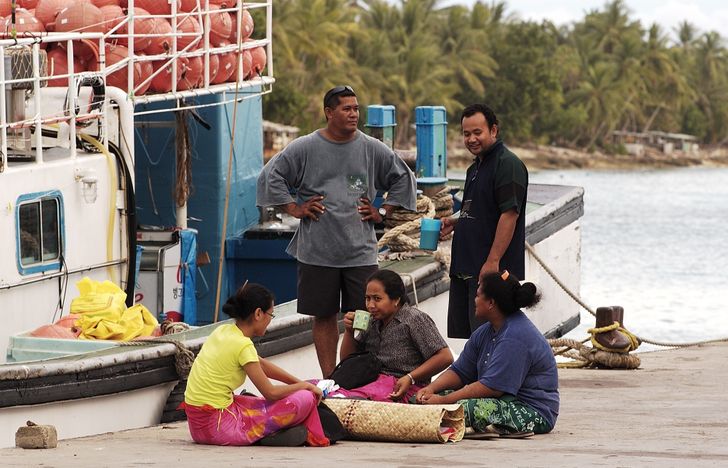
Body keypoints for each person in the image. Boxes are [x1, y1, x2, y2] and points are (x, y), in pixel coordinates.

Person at [257, 86, 417, 377]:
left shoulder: (370, 147)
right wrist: (295, 208)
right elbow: (271, 175)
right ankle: (331, 378)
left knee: (365, 318)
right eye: (346, 109)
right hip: (318, 251)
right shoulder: (305, 147)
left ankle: (358, 374)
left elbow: (404, 178)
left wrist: (383, 211)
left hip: (360, 251)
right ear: (329, 113)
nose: (354, 114)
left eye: (356, 108)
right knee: (324, 315)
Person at [181, 282, 329, 447]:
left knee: (258, 400)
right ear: (258, 313)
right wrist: (306, 388)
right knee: (306, 398)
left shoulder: (223, 331)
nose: (270, 321)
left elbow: (262, 365)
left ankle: (273, 432)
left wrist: (300, 383)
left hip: (198, 427)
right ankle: (267, 433)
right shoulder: (243, 345)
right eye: (270, 315)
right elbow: (270, 393)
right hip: (219, 428)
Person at [416, 271, 559, 437]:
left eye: (477, 296)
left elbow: (491, 388)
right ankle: (487, 427)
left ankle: (494, 426)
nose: (474, 300)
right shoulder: (485, 331)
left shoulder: (514, 337)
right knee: (422, 399)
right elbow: (460, 371)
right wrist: (431, 389)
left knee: (466, 409)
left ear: (491, 303)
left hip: (531, 410)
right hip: (501, 401)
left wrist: (442, 401)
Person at [442, 103, 529, 339]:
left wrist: (493, 262)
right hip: (465, 269)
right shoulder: (475, 168)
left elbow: (510, 214)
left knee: (491, 339)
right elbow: (481, 210)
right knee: (472, 341)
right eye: (466, 134)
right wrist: (456, 222)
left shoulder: (507, 164)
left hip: (488, 273)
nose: (471, 139)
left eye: (477, 132)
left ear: (493, 130)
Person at [333, 269, 453, 402]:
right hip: (371, 382)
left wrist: (410, 377)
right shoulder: (372, 321)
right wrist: (349, 332)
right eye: (367, 298)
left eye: (377, 299)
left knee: (353, 400)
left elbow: (445, 357)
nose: (370, 305)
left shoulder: (414, 319)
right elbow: (347, 360)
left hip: (403, 388)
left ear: (396, 299)